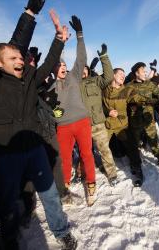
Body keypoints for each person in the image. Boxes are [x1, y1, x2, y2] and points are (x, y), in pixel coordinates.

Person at [0, 0, 77, 248]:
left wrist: (59, 40)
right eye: (13, 58)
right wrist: (29, 15)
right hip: (2, 153)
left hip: (33, 149)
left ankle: (61, 230)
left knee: (50, 195)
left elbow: (50, 64)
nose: (21, 59)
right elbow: (17, 41)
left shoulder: (30, 77)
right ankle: (9, 239)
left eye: (21, 57)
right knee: (8, 201)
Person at [54, 16, 97, 206]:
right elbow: (47, 107)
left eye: (64, 65)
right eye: (59, 65)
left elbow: (82, 58)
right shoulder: (49, 85)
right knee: (64, 157)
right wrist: (56, 114)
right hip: (63, 126)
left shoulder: (74, 77)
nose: (63, 67)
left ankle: (91, 185)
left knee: (87, 153)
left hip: (81, 121)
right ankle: (64, 187)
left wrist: (80, 36)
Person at [127, 62, 159, 170]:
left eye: (146, 71)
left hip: (148, 119)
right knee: (135, 142)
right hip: (135, 120)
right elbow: (124, 101)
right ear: (136, 73)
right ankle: (136, 161)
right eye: (143, 71)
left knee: (153, 140)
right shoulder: (129, 86)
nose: (145, 73)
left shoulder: (149, 84)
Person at [80, 44, 119, 186]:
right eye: (80, 69)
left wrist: (104, 58)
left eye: (85, 69)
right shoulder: (73, 84)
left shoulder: (95, 81)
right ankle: (83, 173)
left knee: (104, 149)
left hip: (97, 123)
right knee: (84, 153)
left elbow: (109, 76)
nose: (82, 71)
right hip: (80, 124)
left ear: (88, 70)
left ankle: (112, 174)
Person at [103, 68, 146, 186]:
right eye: (120, 74)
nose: (123, 76)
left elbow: (136, 98)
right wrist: (107, 111)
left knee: (132, 147)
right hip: (107, 124)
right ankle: (111, 174)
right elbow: (99, 105)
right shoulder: (104, 90)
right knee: (103, 148)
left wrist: (140, 103)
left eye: (124, 74)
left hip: (122, 124)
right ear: (113, 76)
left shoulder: (126, 90)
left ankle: (138, 171)